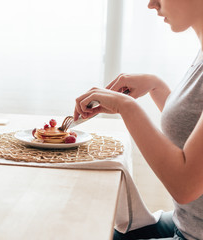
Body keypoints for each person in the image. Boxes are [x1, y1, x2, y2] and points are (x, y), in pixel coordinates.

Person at [74, 0, 203, 239]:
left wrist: (127, 107)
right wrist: (156, 86)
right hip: (186, 222)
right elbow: (191, 131)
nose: (151, 4)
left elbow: (185, 186)